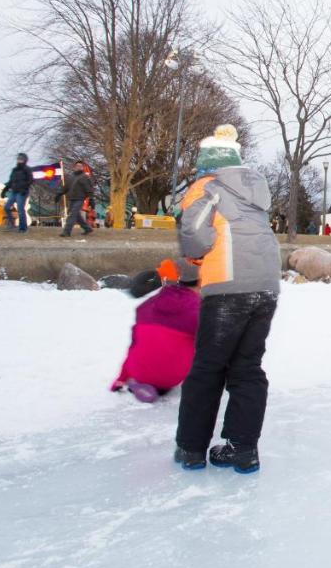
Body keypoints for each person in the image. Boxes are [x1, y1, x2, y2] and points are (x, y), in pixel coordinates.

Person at [174, 125, 280, 475]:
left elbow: (194, 237)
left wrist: (192, 265)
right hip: (265, 287)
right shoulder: (255, 190)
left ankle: (191, 448)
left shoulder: (205, 188)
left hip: (226, 287)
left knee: (207, 368)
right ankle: (243, 448)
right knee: (247, 367)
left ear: (207, 163)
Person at [111, 259, 201, 403]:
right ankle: (159, 383)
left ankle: (144, 382)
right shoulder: (198, 309)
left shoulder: (144, 307)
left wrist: (121, 378)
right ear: (200, 282)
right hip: (173, 376)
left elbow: (133, 346)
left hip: (138, 370)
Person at [56, 161, 94, 237]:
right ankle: (87, 228)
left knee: (72, 214)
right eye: (77, 166)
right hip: (71, 198)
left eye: (80, 166)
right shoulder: (71, 177)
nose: (79, 167)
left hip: (80, 199)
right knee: (76, 215)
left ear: (82, 168)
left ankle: (66, 231)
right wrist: (59, 194)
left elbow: (89, 189)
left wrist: (91, 199)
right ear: (74, 167)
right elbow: (65, 187)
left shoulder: (85, 177)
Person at [1, 153, 35, 232]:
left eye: (21, 159)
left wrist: (24, 188)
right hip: (14, 192)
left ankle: (23, 228)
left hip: (22, 192)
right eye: (18, 159)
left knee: (20, 209)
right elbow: (11, 181)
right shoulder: (15, 170)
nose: (19, 160)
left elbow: (31, 180)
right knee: (6, 207)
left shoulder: (27, 169)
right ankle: (12, 225)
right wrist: (4, 190)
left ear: (25, 160)